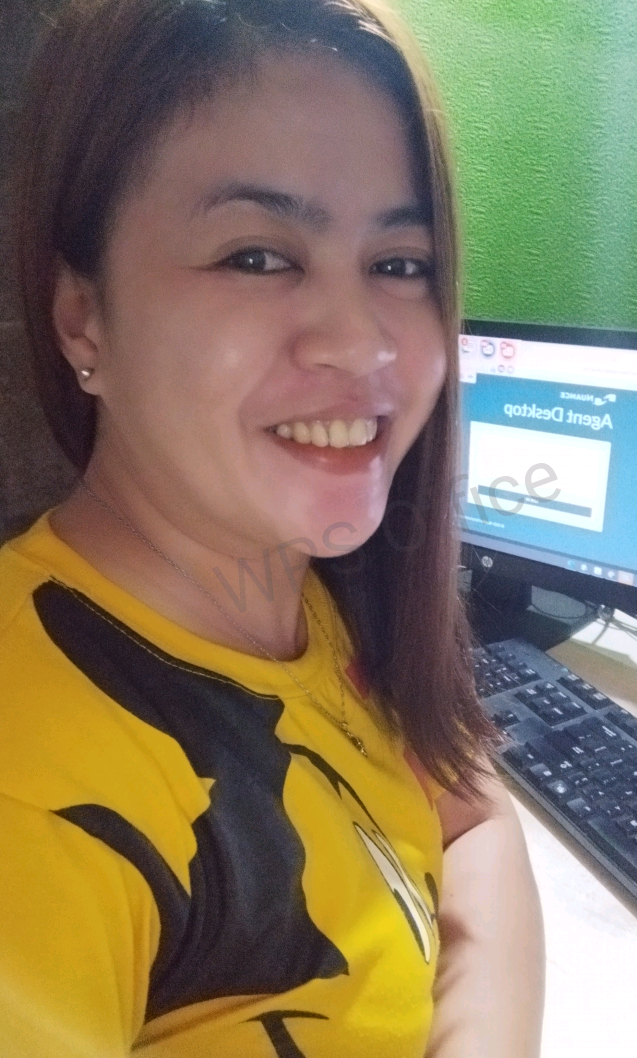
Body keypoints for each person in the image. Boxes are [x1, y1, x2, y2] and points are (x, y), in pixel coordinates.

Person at [1, 1, 544, 1055]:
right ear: (82, 317)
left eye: (400, 262)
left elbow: (473, 812)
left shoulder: (310, 596)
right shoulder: (29, 790)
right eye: (256, 256)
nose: (360, 343)